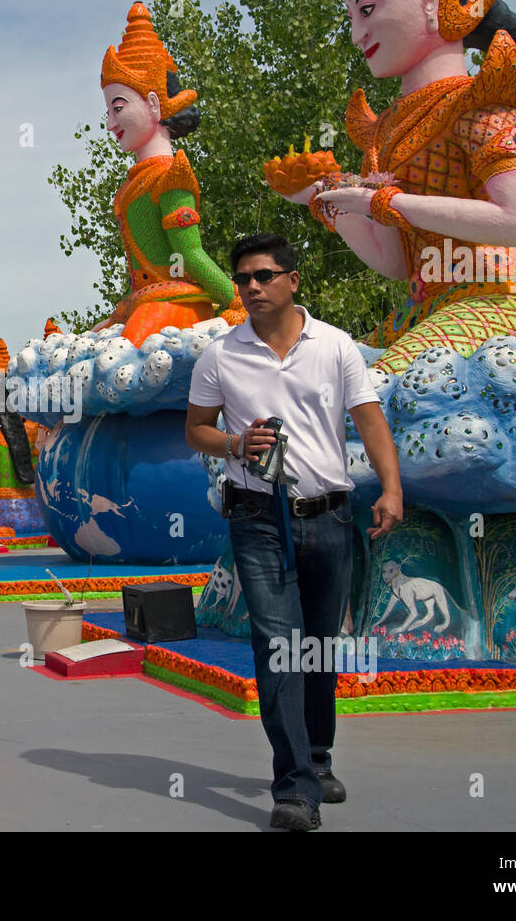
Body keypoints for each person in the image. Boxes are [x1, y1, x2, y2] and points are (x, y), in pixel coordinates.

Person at [186, 233, 404, 831]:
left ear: (292, 280)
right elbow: (195, 430)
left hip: (330, 514)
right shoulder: (220, 356)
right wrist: (234, 443)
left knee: (320, 644)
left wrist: (391, 488)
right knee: (277, 646)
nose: (252, 287)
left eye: (263, 276)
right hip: (257, 517)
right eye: (242, 280)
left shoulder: (335, 346)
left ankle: (318, 755)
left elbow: (368, 417)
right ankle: (295, 787)